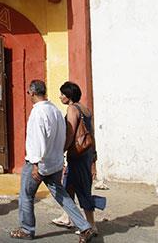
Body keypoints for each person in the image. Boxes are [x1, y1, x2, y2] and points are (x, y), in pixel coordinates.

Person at [9, 80, 94, 241]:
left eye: (29, 92)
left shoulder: (38, 112)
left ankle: (27, 229)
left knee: (26, 195)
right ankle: (84, 226)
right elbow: (63, 135)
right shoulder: (55, 110)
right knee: (62, 196)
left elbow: (37, 140)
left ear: (32, 92)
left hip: (39, 163)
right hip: (54, 162)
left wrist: (35, 164)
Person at [51, 82, 98, 233]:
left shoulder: (72, 109)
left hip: (77, 154)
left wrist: (61, 150)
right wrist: (94, 157)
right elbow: (91, 133)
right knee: (68, 186)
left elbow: (70, 133)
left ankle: (91, 225)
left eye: (62, 94)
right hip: (86, 152)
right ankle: (67, 216)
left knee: (82, 189)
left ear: (69, 96)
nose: (60, 97)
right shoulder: (85, 109)